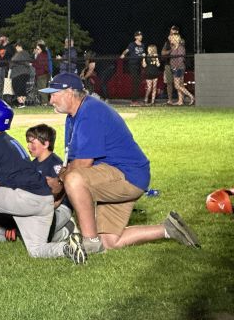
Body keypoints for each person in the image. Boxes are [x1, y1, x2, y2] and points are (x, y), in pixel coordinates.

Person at [40, 72, 200, 254]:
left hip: (126, 175)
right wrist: (61, 181)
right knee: (110, 241)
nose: (51, 100)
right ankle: (168, 229)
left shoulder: (90, 112)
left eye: (54, 94)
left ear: (69, 92)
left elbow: (82, 164)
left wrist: (60, 183)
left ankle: (90, 242)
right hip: (114, 176)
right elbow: (73, 161)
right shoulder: (76, 115)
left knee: (74, 179)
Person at [0, 97, 86, 263]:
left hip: (25, 198)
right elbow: (8, 179)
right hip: (44, 200)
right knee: (36, 250)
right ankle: (67, 248)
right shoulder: (12, 142)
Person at [25, 124, 74, 242]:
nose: (28, 146)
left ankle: (67, 229)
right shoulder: (32, 165)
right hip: (40, 208)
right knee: (29, 233)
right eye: (28, 142)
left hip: (59, 208)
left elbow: (58, 196)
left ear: (46, 144)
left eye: (32, 143)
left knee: (38, 233)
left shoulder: (56, 165)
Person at [121, 31, 146, 105]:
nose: (141, 36)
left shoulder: (142, 45)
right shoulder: (132, 44)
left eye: (141, 35)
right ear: (136, 37)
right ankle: (133, 100)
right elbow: (127, 50)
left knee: (138, 82)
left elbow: (143, 55)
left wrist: (143, 62)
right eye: (139, 35)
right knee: (135, 81)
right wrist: (123, 54)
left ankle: (136, 99)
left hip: (139, 65)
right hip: (133, 64)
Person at [169, 34, 194, 106]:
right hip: (175, 68)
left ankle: (191, 96)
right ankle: (180, 101)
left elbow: (181, 59)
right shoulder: (173, 47)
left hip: (179, 68)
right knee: (179, 85)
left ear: (176, 39)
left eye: (173, 38)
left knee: (177, 86)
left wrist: (175, 67)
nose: (171, 39)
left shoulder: (180, 48)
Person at [9, 41, 32, 108]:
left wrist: (13, 63)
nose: (15, 49)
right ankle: (22, 103)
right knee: (22, 88)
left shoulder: (20, 54)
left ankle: (21, 103)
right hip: (25, 73)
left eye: (16, 47)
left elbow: (11, 63)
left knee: (17, 88)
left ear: (18, 46)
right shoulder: (26, 53)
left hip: (18, 74)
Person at [161, 25, 180, 104]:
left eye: (175, 30)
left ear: (177, 32)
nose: (173, 31)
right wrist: (170, 51)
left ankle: (180, 100)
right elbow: (162, 53)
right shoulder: (167, 42)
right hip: (168, 64)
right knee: (169, 83)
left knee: (179, 83)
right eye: (172, 29)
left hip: (178, 64)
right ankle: (170, 100)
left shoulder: (181, 40)